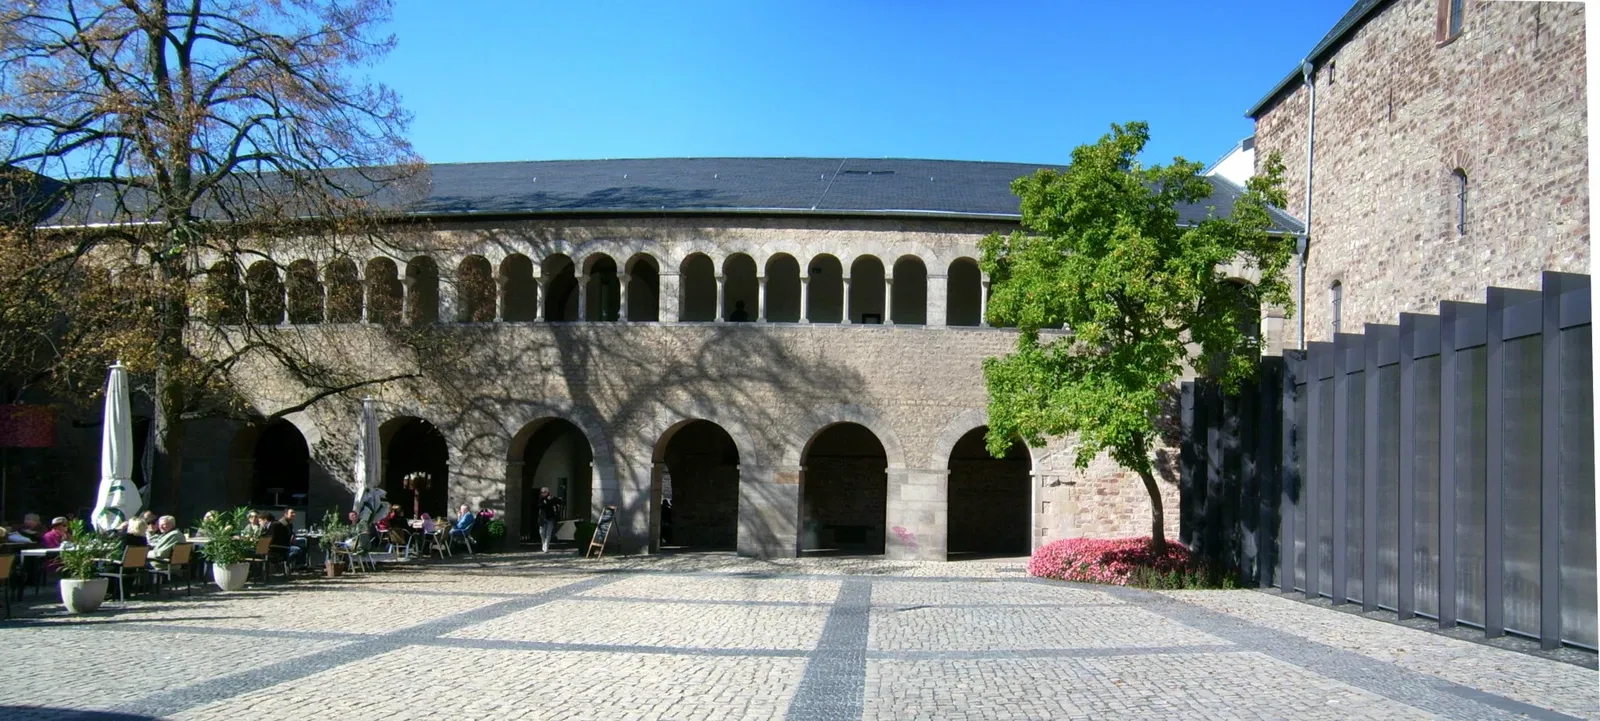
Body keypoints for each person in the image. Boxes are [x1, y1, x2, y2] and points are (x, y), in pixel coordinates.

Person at [536, 487, 563, 553]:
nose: (543, 493)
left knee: (548, 533)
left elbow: (560, 502)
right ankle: (543, 543)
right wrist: (545, 502)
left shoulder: (552, 498)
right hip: (543, 518)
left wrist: (553, 500)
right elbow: (539, 506)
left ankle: (546, 547)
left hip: (550, 518)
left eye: (544, 492)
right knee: (541, 532)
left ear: (547, 492)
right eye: (542, 492)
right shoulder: (541, 499)